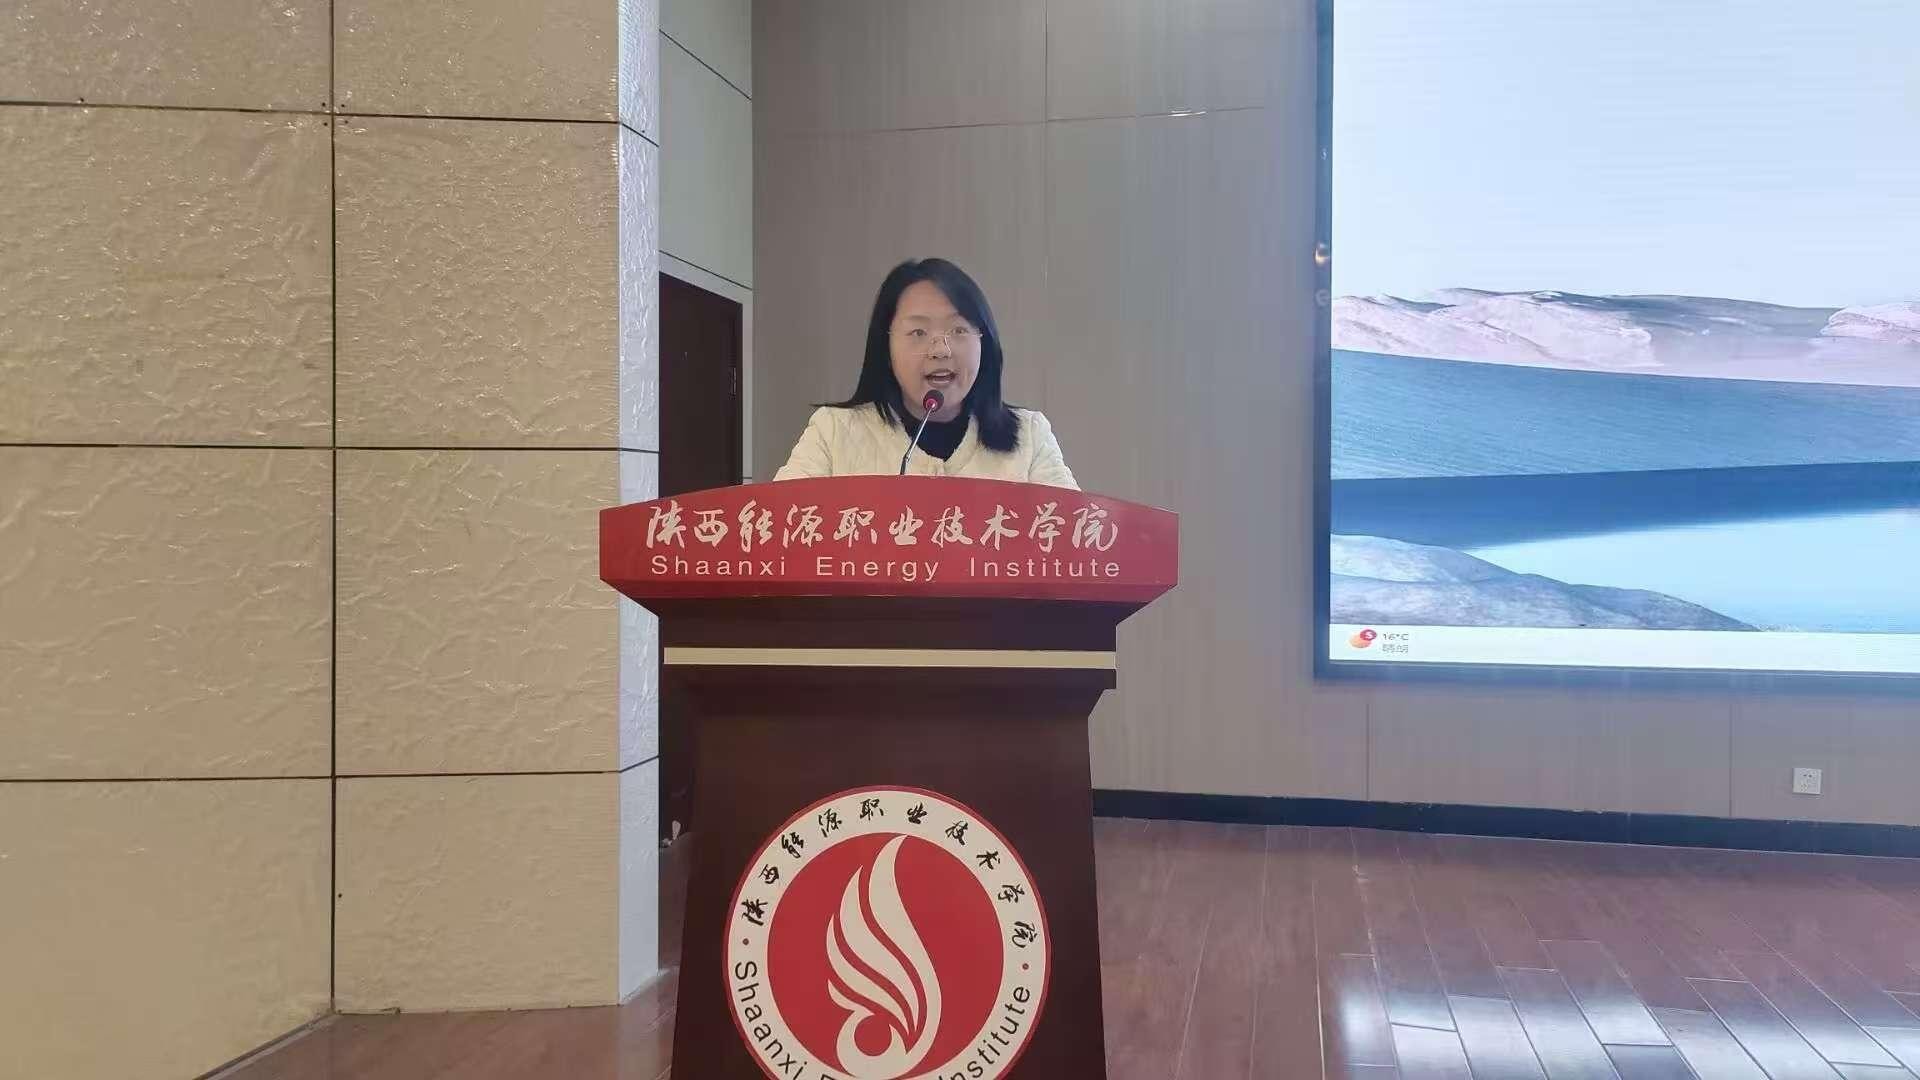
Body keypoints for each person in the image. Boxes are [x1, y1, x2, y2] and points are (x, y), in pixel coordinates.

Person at [773, 258, 1079, 489]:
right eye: (918, 332)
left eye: (958, 330)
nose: (940, 351)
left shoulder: (1030, 437)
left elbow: (1073, 541)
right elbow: (780, 531)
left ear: (983, 342)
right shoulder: (834, 432)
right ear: (886, 347)